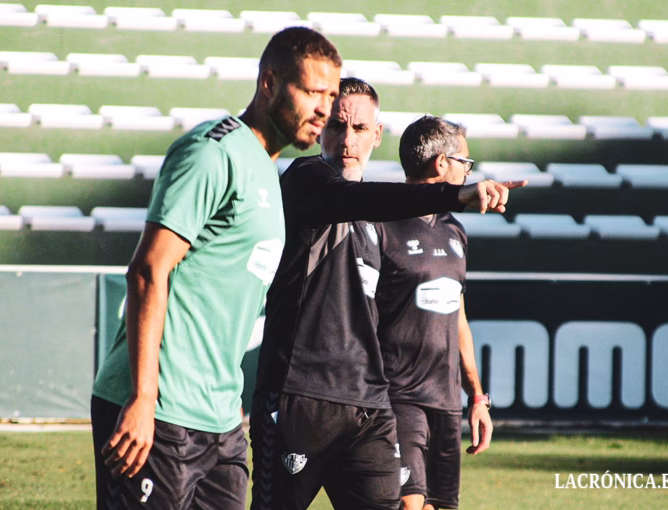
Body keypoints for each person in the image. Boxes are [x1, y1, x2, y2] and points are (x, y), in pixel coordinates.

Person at [89, 27, 342, 510]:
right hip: (158, 410)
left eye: (330, 94)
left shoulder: (268, 168)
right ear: (269, 83)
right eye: (312, 91)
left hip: (220, 420)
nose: (324, 108)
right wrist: (144, 399)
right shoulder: (212, 151)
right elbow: (147, 270)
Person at [250, 78, 524, 510]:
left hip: (369, 404)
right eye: (338, 126)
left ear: (377, 135)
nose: (347, 139)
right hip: (300, 398)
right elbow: (355, 199)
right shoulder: (307, 180)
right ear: (321, 129)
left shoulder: (380, 219)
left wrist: (474, 394)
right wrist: (458, 192)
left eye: (360, 128)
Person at [375, 116, 492, 510]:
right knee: (410, 506)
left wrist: (476, 397)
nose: (468, 172)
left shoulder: (454, 229)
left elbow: (457, 315)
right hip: (397, 397)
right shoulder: (380, 224)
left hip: (445, 401)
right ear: (441, 164)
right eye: (465, 162)